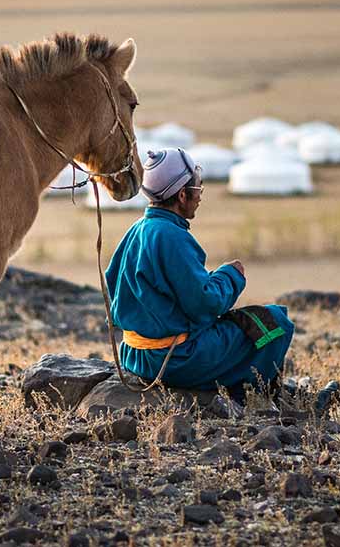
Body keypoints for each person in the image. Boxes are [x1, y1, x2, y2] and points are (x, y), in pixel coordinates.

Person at [103, 148, 294, 402]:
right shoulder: (171, 236)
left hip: (134, 354)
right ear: (182, 195)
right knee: (276, 323)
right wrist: (231, 276)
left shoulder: (137, 230)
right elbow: (206, 304)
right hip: (174, 359)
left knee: (246, 324)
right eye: (198, 190)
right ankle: (256, 397)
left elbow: (114, 283)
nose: (200, 197)